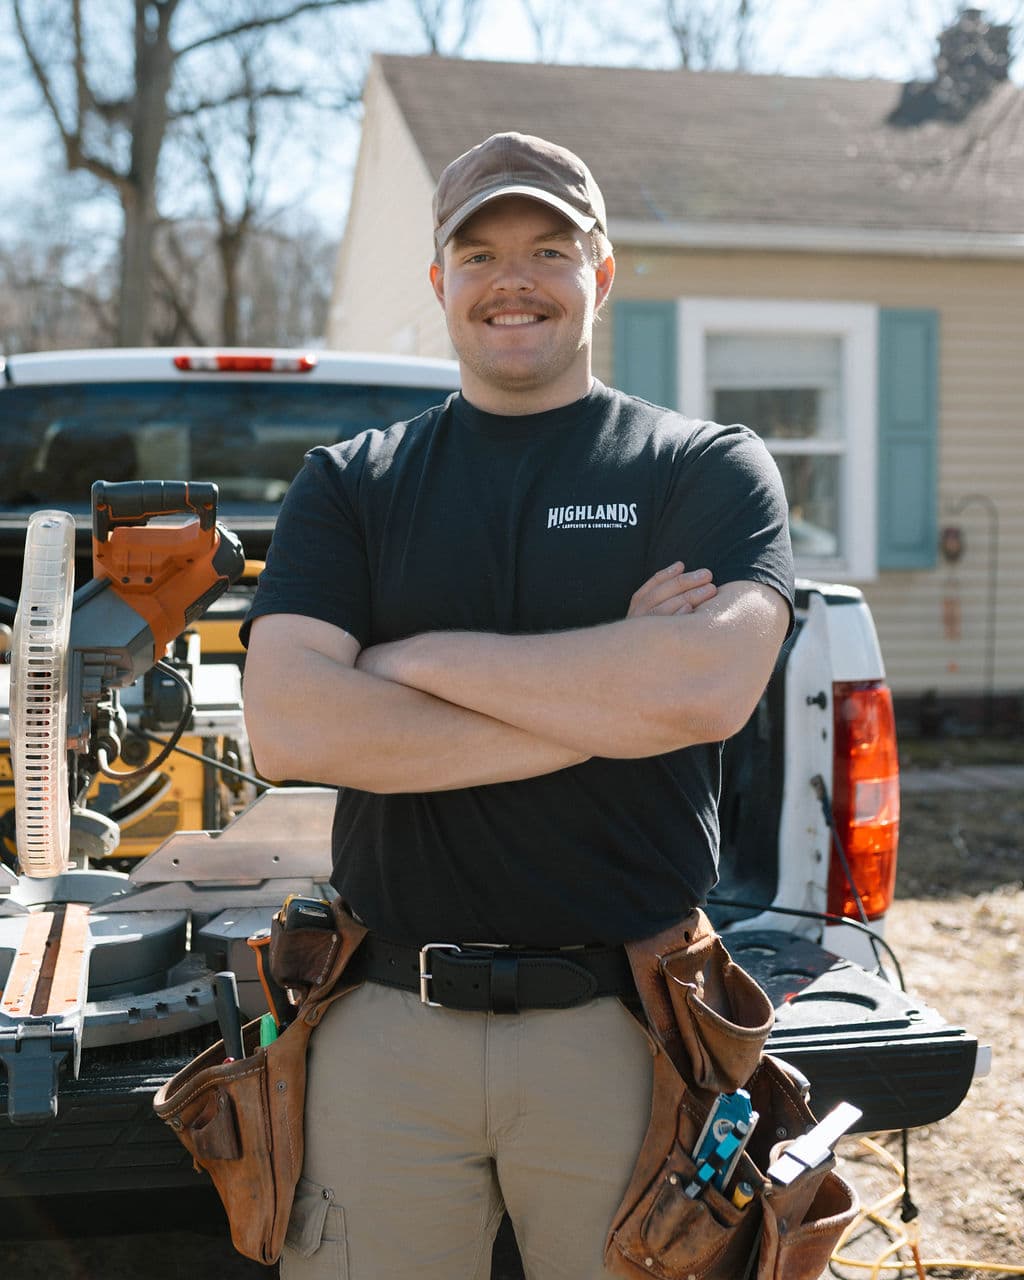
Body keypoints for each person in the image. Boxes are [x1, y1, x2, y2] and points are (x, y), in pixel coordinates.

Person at [241, 131, 794, 1280]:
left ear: (601, 270)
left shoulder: (701, 467)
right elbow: (294, 725)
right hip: (385, 1025)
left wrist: (408, 657)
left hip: (624, 1025)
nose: (514, 280)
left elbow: (707, 683)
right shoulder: (353, 482)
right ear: (441, 281)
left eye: (549, 247)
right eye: (480, 252)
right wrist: (610, 690)